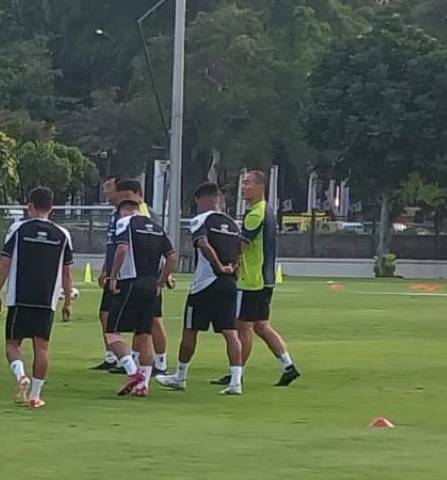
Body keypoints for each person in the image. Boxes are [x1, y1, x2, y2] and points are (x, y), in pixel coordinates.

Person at [156, 183, 245, 395]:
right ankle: (235, 381)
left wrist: (218, 267)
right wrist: (232, 273)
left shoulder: (201, 220)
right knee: (231, 332)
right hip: (230, 283)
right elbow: (240, 253)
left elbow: (203, 244)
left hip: (206, 284)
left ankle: (180, 376)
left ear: (202, 199)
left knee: (191, 328)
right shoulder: (234, 224)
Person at [0, 187, 74, 408]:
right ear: (52, 208)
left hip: (20, 298)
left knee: (12, 345)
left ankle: (21, 376)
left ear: (30, 206)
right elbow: (67, 272)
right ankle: (36, 395)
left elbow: (5, 262)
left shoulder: (18, 229)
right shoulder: (62, 234)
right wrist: (67, 302)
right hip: (47, 301)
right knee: (42, 348)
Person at [219, 170, 301, 387]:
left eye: (247, 183)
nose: (243, 188)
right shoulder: (266, 210)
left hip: (252, 279)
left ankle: (237, 372)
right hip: (265, 278)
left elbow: (244, 245)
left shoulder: (255, 213)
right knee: (262, 326)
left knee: (242, 326)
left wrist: (225, 253)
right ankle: (288, 366)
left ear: (260, 187)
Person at [95, 177, 171, 375]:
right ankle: (123, 361)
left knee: (151, 321)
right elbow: (114, 245)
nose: (118, 198)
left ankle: (157, 362)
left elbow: (154, 245)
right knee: (108, 315)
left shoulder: (144, 215)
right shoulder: (118, 215)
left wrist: (164, 276)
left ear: (136, 195)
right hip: (120, 274)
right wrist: (106, 269)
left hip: (139, 276)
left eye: (123, 195)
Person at [105, 199, 177, 397]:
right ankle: (143, 384)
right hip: (151, 285)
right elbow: (171, 257)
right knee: (144, 335)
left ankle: (132, 372)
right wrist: (161, 281)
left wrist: (113, 276)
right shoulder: (156, 227)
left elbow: (122, 248)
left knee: (112, 333)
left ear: (125, 211)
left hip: (131, 283)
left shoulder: (125, 223)